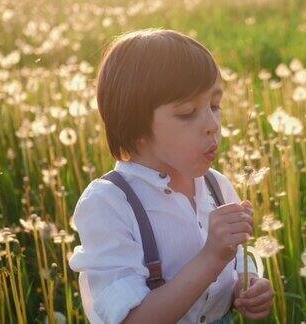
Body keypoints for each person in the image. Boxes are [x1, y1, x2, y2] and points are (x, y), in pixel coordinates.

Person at [68, 28, 274, 324]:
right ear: (135, 126)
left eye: (215, 106)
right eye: (188, 112)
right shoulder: (108, 204)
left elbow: (235, 258)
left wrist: (248, 283)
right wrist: (211, 258)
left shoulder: (217, 185)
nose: (212, 125)